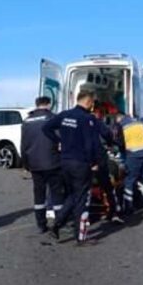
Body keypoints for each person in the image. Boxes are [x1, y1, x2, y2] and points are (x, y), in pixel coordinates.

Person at [42, 90, 99, 243]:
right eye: (92, 103)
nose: (93, 106)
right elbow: (90, 144)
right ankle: (80, 237)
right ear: (88, 102)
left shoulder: (64, 115)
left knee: (73, 195)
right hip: (81, 163)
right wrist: (94, 162)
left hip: (65, 162)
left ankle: (56, 224)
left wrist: (58, 141)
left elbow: (46, 128)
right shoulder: (87, 119)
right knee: (81, 199)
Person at [21, 96, 64, 233]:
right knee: (57, 194)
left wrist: (26, 164)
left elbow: (24, 144)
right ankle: (59, 223)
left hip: (35, 164)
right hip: (53, 163)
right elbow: (61, 141)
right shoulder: (53, 118)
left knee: (39, 195)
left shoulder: (27, 121)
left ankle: (41, 225)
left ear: (37, 104)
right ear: (49, 104)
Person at [114, 112, 143, 215]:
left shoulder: (122, 125)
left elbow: (121, 143)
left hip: (134, 155)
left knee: (129, 180)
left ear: (119, 118)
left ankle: (129, 207)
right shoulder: (139, 122)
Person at [93, 110, 124, 224]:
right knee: (115, 182)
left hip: (85, 169)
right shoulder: (101, 127)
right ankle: (115, 211)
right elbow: (110, 141)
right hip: (100, 168)